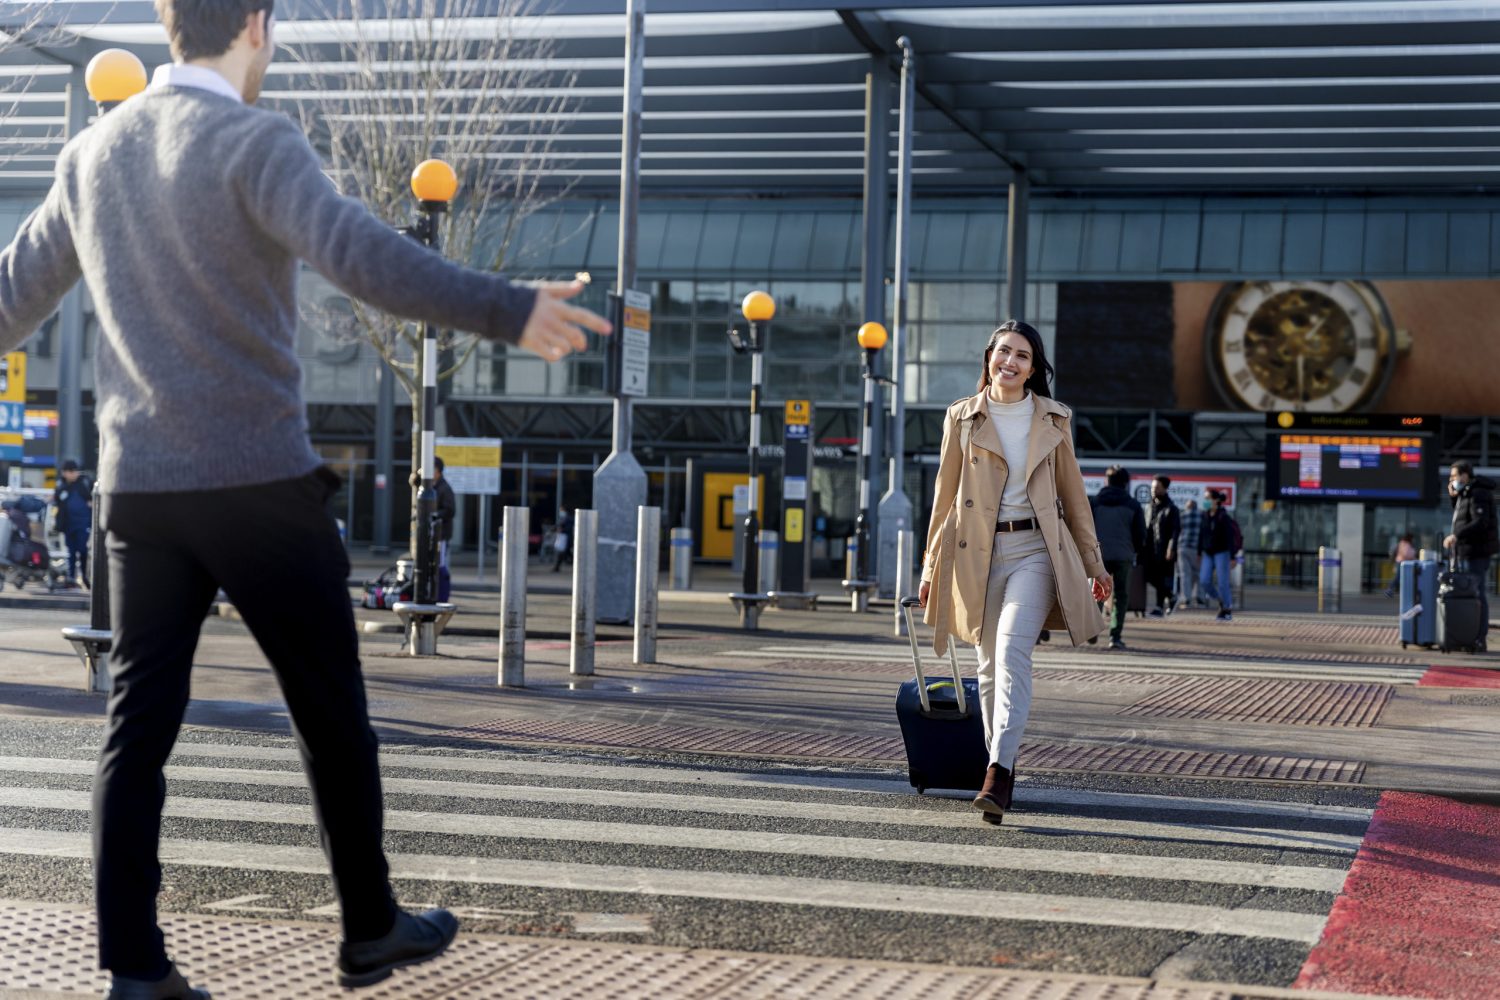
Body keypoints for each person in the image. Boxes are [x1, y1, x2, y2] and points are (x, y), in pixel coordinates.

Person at [0, 0, 612, 994]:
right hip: (257, 482)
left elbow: (8, 296)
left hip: (141, 491)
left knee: (135, 730)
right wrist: (508, 308)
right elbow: (365, 257)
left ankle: (134, 971)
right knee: (329, 712)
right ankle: (369, 927)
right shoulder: (255, 141)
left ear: (169, 28)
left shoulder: (93, 154)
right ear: (255, 24)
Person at [917, 320, 1110, 826]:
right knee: (985, 665)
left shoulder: (1053, 418)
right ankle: (997, 765)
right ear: (988, 357)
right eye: (1004, 351)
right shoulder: (962, 416)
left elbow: (1074, 497)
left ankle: (999, 772)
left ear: (1033, 368)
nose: (1011, 361)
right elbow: (944, 496)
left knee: (1010, 652)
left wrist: (1093, 562)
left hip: (1035, 550)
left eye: (1022, 355)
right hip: (976, 552)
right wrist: (931, 564)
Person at [1444, 461, 1498, 651]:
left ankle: (1478, 638)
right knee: (1468, 595)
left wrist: (1456, 536)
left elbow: (1480, 522)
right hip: (1467, 552)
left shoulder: (1478, 493)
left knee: (1477, 595)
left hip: (1476, 553)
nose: (1451, 480)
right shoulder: (1466, 493)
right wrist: (1454, 497)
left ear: (1465, 475)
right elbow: (1462, 518)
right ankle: (1468, 635)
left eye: (1454, 476)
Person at [1089, 465, 1145, 649]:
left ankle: (1091, 629)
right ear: (1126, 483)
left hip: (1099, 556)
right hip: (1123, 555)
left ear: (1106, 481)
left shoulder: (1095, 502)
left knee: (1096, 592)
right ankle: (1115, 636)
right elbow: (1140, 534)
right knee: (1121, 596)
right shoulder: (1133, 505)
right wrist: (1135, 551)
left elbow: (1085, 529)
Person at [1199, 490, 1241, 621]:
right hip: (1208, 553)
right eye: (1204, 498)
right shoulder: (1204, 515)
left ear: (1216, 500)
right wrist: (1198, 552)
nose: (1205, 501)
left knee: (1223, 582)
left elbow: (1229, 538)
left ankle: (1227, 609)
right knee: (1204, 580)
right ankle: (1220, 600)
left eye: (1207, 498)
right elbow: (1201, 535)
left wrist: (1233, 556)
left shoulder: (1223, 517)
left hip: (1222, 552)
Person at [53, 459, 94, 588]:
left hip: (83, 523)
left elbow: (91, 499)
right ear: (64, 473)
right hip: (68, 524)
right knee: (71, 551)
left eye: (74, 471)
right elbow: (57, 501)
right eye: (70, 471)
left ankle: (84, 577)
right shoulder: (61, 486)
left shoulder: (85, 483)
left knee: (82, 550)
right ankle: (71, 577)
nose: (73, 474)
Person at [1145, 474, 1180, 616]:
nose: (1153, 490)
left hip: (1164, 549)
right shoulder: (1149, 507)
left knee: (1160, 577)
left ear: (1165, 489)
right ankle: (1171, 597)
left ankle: (1159, 607)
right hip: (1149, 549)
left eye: (1157, 487)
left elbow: (1175, 531)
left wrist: (1171, 548)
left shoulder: (1171, 509)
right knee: (1148, 576)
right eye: (1152, 487)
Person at [433, 457, 456, 602]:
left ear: (438, 472)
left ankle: (442, 595)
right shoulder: (432, 486)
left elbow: (450, 510)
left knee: (440, 567)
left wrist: (434, 515)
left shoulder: (444, 488)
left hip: (441, 535)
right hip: (435, 535)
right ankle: (437, 594)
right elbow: (413, 482)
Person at [1176, 498, 1203, 607]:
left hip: (1183, 548)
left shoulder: (1182, 516)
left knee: (1185, 574)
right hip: (1197, 549)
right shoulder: (1202, 516)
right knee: (1199, 574)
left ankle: (1186, 598)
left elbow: (1177, 531)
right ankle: (1199, 598)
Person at [1385, 532, 1417, 599]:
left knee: (1399, 577)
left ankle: (1391, 590)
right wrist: (1413, 556)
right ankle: (1389, 590)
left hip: (1402, 562)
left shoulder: (1403, 543)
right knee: (1398, 577)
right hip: (1402, 563)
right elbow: (1406, 554)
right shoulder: (1405, 544)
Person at [551, 507, 573, 572]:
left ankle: (557, 567)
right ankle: (557, 567)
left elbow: (567, 528)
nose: (561, 512)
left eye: (562, 510)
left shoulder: (568, 518)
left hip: (566, 539)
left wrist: (561, 530)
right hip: (565, 538)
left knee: (562, 553)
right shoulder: (565, 518)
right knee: (564, 553)